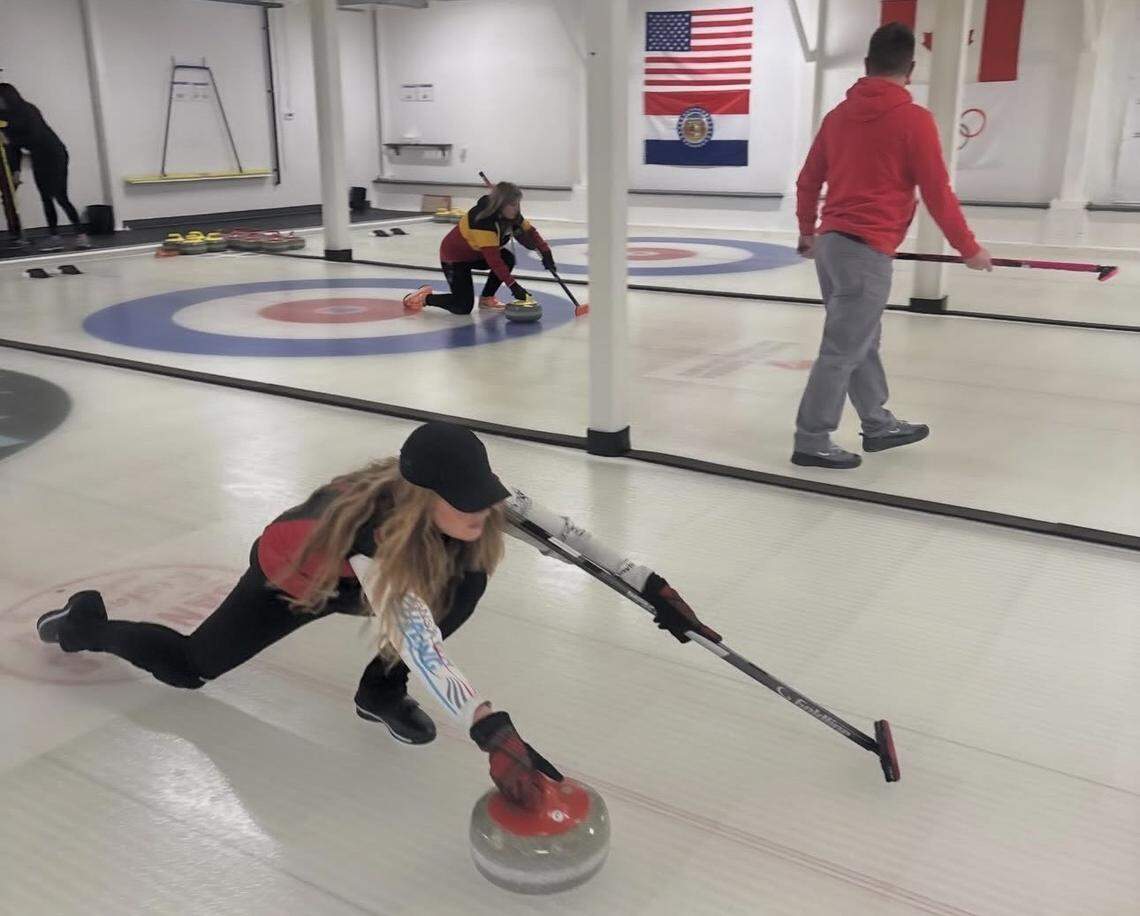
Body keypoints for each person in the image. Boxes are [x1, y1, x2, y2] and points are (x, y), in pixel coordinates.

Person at [35, 422, 717, 810]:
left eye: (484, 496)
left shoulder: (470, 501)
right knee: (190, 669)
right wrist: (491, 730)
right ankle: (86, 623)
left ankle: (375, 692)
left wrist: (654, 589)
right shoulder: (376, 540)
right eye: (465, 502)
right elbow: (419, 640)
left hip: (374, 574)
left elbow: (572, 537)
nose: (481, 511)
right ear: (424, 500)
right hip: (293, 575)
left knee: (468, 577)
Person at [792, 22, 993, 470]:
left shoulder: (837, 117)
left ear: (866, 66)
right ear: (911, 68)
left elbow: (808, 180)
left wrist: (808, 231)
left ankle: (877, 423)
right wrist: (969, 248)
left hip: (831, 247)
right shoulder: (914, 121)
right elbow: (938, 193)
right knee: (843, 348)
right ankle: (812, 438)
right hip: (865, 251)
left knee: (860, 340)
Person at [403, 182, 556, 315]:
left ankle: (487, 299)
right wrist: (514, 286)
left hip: (477, 254)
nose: (517, 209)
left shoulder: (511, 214)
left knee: (508, 258)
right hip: (456, 258)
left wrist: (546, 253)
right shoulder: (483, 222)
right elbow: (494, 261)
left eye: (518, 204)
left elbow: (531, 232)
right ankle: (424, 297)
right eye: (513, 205)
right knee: (462, 307)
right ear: (501, 205)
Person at [0, 83, 90, 251]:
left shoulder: (28, 110)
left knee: (60, 196)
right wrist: (16, 171)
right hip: (38, 156)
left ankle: (81, 235)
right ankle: (54, 237)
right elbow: (14, 149)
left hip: (54, 153)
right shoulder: (5, 118)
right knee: (45, 197)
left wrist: (11, 141)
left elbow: (34, 136)